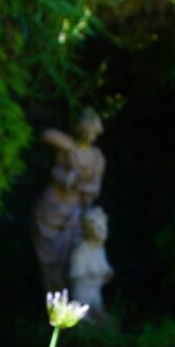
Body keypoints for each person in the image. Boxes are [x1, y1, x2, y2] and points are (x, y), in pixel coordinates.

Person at [32, 108, 105, 292]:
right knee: (50, 266)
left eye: (94, 131)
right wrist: (66, 178)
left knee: (72, 260)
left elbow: (95, 188)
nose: (91, 134)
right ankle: (56, 301)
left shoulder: (97, 157)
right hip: (52, 209)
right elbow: (47, 136)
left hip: (73, 213)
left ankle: (72, 302)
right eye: (88, 129)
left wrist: (78, 185)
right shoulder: (68, 149)